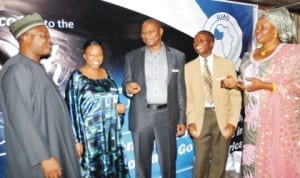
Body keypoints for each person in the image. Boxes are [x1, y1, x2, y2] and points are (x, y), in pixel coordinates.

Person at [0, 13, 81, 178]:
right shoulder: (17, 70)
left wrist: (69, 143)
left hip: (54, 150)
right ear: (26, 38)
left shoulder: (35, 68)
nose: (49, 41)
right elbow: (21, 118)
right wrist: (43, 157)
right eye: (43, 36)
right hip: (40, 163)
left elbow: (51, 116)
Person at [222, 7, 300, 178]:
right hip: (251, 124)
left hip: (276, 125)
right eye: (257, 27)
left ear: (276, 30)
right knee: (251, 160)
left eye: (263, 27)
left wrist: (266, 86)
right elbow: (249, 84)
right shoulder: (250, 55)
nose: (257, 30)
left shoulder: (293, 53)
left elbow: (297, 87)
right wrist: (234, 84)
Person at [123, 18, 186, 178]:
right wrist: (128, 88)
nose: (146, 35)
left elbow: (180, 89)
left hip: (167, 115)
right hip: (141, 115)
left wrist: (181, 119)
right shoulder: (132, 56)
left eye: (150, 31)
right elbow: (126, 83)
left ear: (160, 32)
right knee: (141, 166)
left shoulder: (177, 56)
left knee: (168, 162)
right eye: (143, 32)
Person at [65, 40, 129, 178]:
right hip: (89, 139)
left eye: (99, 55)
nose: (96, 58)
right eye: (92, 55)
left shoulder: (108, 74)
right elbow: (70, 111)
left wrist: (118, 108)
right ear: (84, 56)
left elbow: (114, 101)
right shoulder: (77, 78)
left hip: (111, 137)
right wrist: (75, 140)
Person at [185, 30, 242, 178]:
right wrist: (190, 121)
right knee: (201, 161)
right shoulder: (188, 68)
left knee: (220, 160)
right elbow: (188, 98)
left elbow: (235, 95)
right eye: (195, 41)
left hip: (222, 118)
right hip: (201, 118)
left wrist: (232, 122)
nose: (197, 44)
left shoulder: (226, 64)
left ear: (212, 43)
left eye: (201, 40)